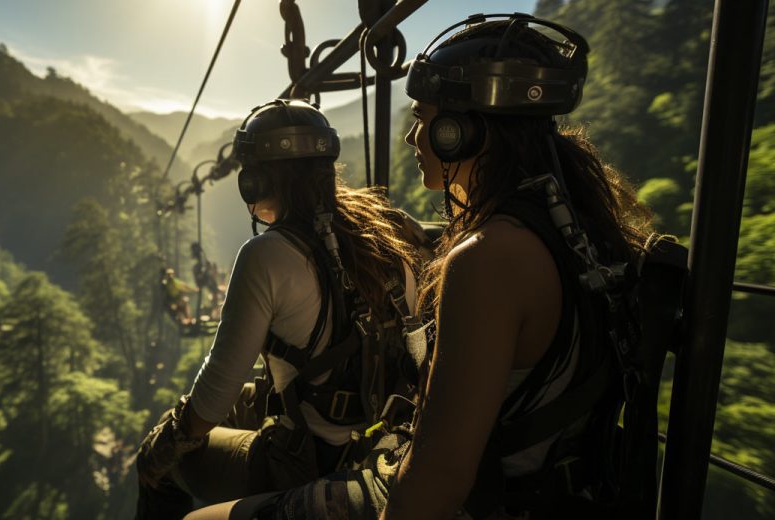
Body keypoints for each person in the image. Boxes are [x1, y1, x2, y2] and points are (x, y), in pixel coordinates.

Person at [186, 13, 654, 520]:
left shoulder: (487, 259)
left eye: (423, 117)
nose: (412, 137)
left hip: (486, 500)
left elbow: (435, 482)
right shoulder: (574, 228)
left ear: (461, 133)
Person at [135, 99, 421, 518]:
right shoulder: (383, 233)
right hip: (377, 436)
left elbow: (214, 396)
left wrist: (163, 444)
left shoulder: (267, 255)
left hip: (304, 459)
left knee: (159, 460)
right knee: (241, 399)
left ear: (255, 182)